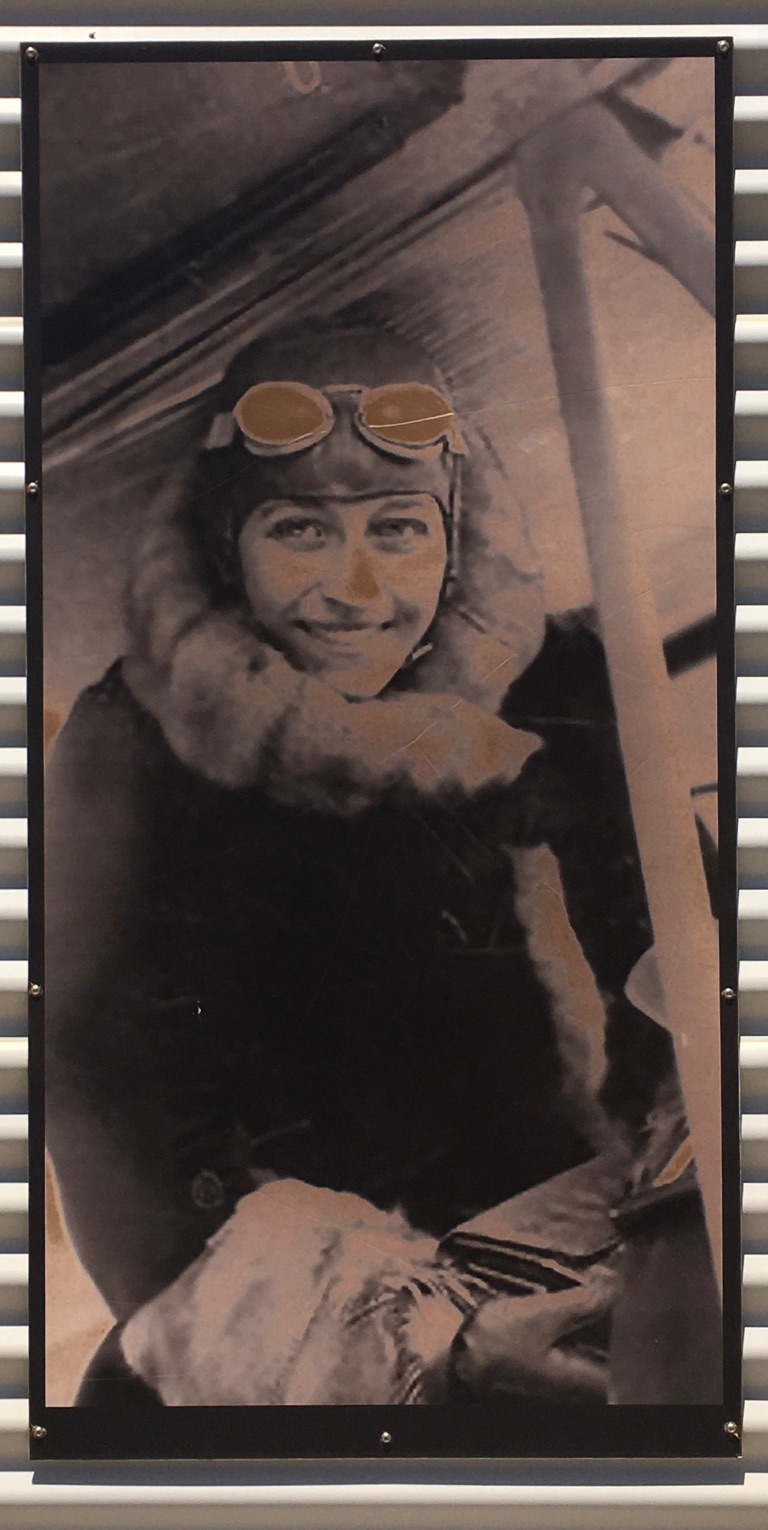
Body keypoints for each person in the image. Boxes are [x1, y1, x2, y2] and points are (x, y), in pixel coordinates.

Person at [44, 319, 711, 1407]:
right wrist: (433, 1352)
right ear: (225, 543)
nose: (355, 589)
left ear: (453, 535)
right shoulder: (128, 747)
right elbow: (116, 1124)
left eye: (399, 531)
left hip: (564, 1209)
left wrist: (679, 1174)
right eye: (299, 532)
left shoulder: (556, 677)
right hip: (298, 1297)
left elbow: (691, 947)